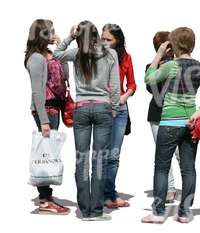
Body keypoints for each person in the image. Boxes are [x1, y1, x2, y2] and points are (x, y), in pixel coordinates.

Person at [141, 27, 200, 224]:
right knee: (188, 168)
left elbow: (149, 78)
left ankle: (158, 213)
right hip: (190, 123)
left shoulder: (171, 66)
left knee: (162, 167)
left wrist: (158, 55)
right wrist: (195, 115)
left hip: (169, 123)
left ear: (173, 45)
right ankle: (184, 212)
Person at [53, 20, 120, 221]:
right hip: (103, 108)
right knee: (99, 160)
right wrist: (114, 108)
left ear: (79, 36)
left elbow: (56, 54)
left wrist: (70, 36)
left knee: (81, 160)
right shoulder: (110, 52)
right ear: (96, 34)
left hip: (81, 109)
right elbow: (115, 86)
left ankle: (84, 209)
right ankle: (96, 210)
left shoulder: (76, 52)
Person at [25, 19, 70, 215]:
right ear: (41, 34)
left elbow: (65, 75)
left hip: (56, 108)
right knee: (46, 154)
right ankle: (44, 200)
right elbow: (37, 91)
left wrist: (60, 51)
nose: (53, 34)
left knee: (50, 153)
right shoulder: (35, 58)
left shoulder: (50, 55)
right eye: (50, 31)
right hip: (45, 109)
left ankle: (47, 196)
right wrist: (43, 120)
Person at [101, 23, 137, 208]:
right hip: (101, 108)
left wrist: (124, 97)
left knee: (113, 155)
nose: (105, 42)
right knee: (100, 153)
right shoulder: (96, 56)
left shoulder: (126, 57)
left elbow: (132, 84)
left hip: (120, 109)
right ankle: (99, 192)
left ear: (118, 40)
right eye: (103, 38)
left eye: (109, 39)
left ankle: (109, 194)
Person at [146, 31, 179, 203]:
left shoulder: (181, 65)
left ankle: (188, 187)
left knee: (181, 154)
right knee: (163, 154)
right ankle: (170, 189)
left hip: (178, 114)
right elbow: (152, 88)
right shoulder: (150, 68)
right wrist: (159, 59)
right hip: (157, 115)